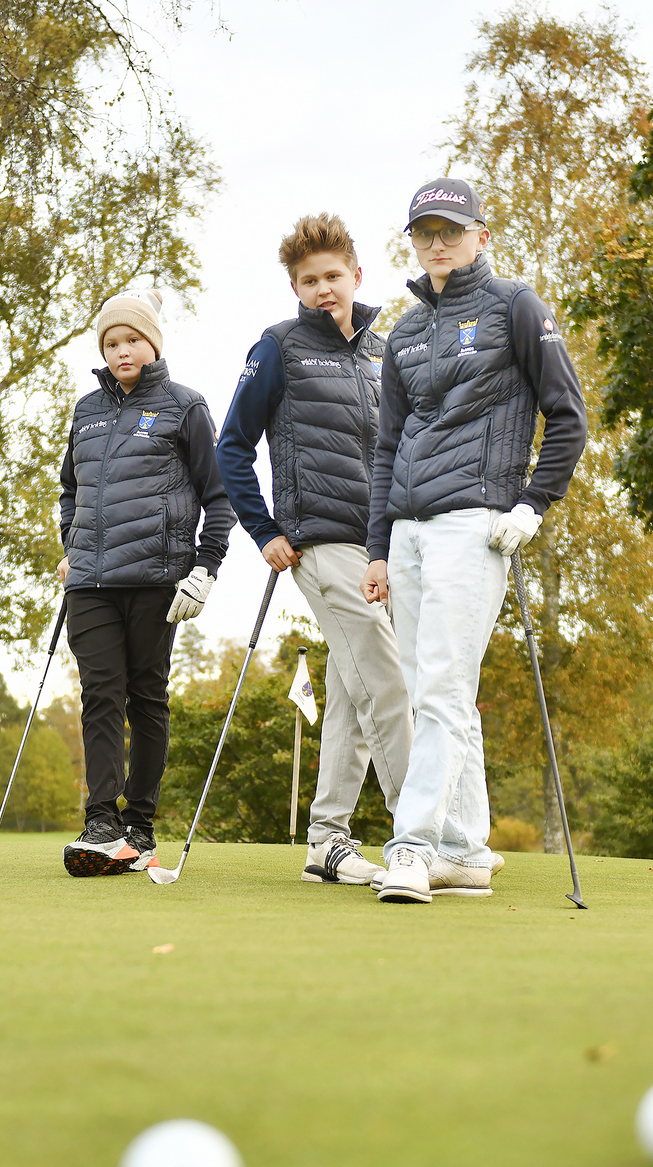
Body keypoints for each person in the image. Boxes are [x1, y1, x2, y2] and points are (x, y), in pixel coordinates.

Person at [362, 178, 587, 904]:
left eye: (450, 231)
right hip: (408, 529)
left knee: (442, 690)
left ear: (481, 235)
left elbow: (568, 415)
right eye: (425, 232)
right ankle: (463, 849)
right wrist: (375, 546)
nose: (437, 244)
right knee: (440, 692)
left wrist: (534, 503)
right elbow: (387, 446)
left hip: (477, 523)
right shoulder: (404, 331)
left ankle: (411, 846)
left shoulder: (515, 305)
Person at [215, 213, 412, 886]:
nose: (324, 288)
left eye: (334, 275)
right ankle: (423, 833)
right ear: (294, 288)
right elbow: (231, 447)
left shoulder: (388, 351)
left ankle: (327, 841)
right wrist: (263, 529)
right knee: (386, 679)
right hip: (321, 544)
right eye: (309, 280)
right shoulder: (277, 348)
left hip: (387, 547)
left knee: (356, 690)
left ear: (358, 275)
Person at [58, 288, 236, 876]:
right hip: (90, 582)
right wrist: (70, 546)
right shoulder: (86, 411)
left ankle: (140, 825)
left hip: (157, 578)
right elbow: (71, 492)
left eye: (131, 339)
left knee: (146, 697)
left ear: (153, 343)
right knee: (100, 695)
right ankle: (101, 823)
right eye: (111, 343)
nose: (121, 350)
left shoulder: (185, 407)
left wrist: (205, 570)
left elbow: (220, 497)